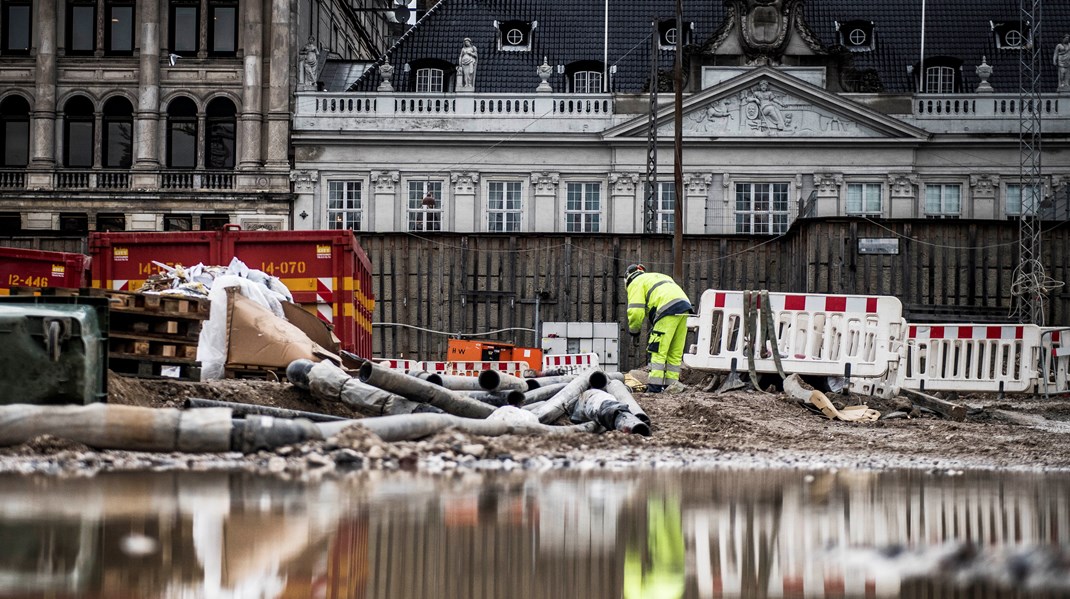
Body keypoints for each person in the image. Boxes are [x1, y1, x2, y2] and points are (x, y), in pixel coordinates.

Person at [625, 264, 692, 393]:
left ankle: (654, 389)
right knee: (674, 352)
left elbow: (635, 311)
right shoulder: (657, 276)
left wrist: (635, 332)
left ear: (628, 278)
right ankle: (671, 387)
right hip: (684, 308)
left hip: (666, 309)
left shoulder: (635, 282)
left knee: (658, 351)